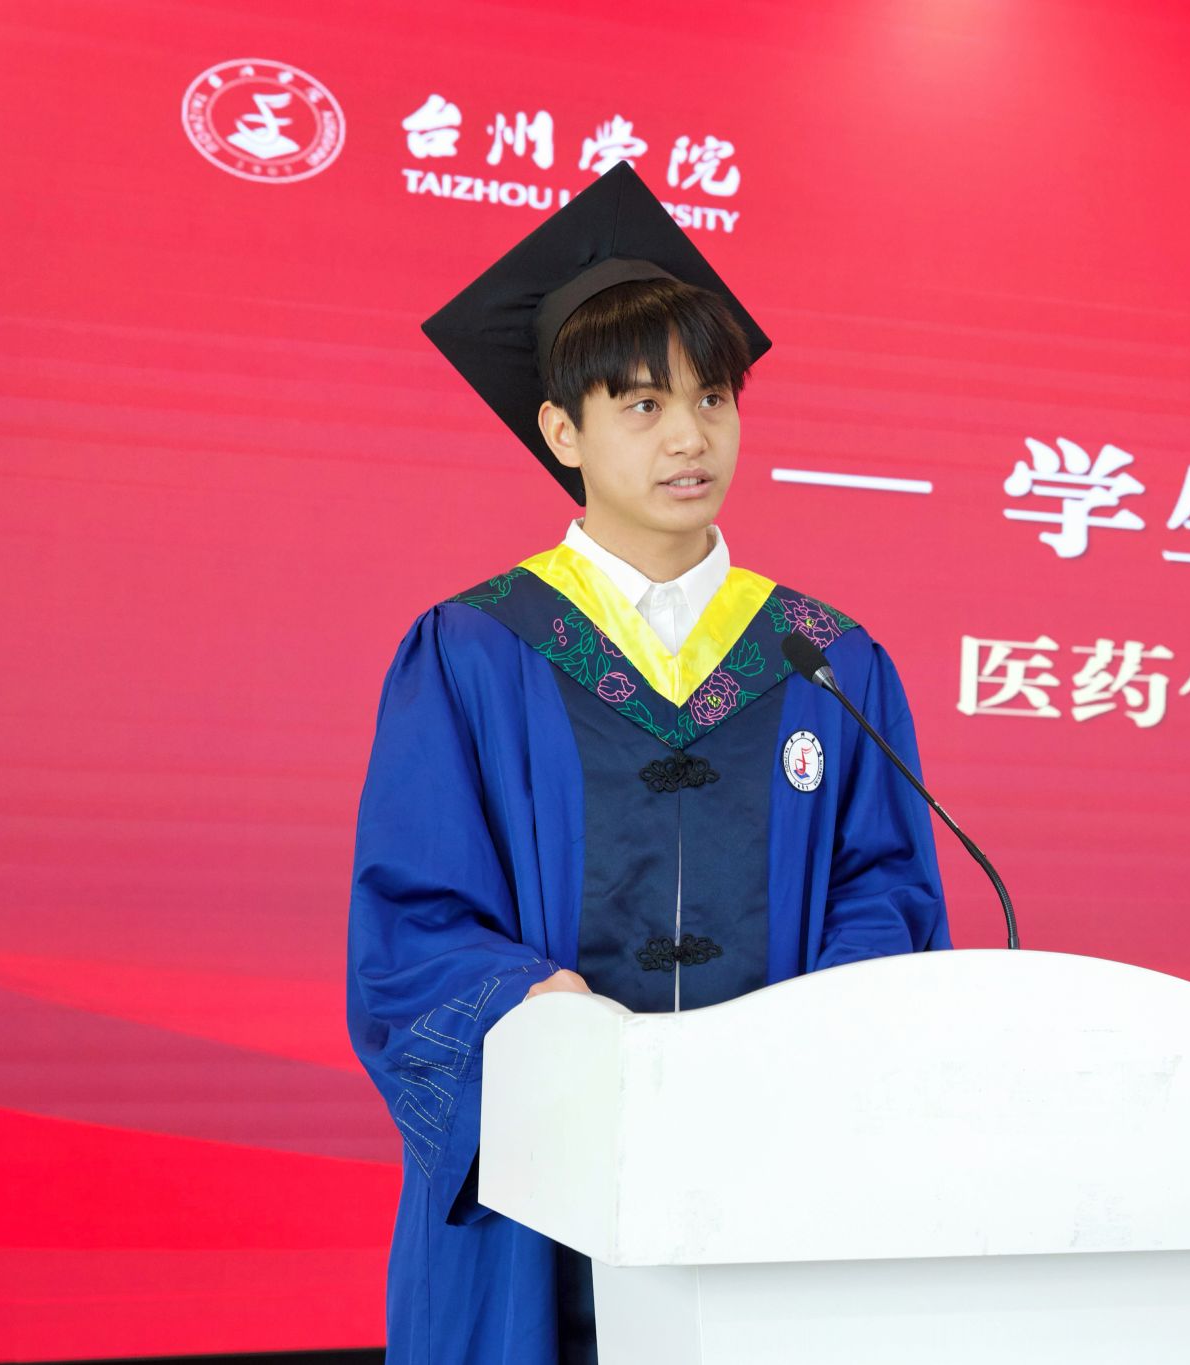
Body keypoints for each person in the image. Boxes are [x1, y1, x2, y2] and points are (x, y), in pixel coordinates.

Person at [345, 162, 952, 1364]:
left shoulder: (822, 656)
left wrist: (819, 1033)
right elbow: (414, 918)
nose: (690, 436)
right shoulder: (476, 651)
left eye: (712, 398)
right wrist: (534, 1011)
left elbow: (885, 886)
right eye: (641, 404)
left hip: (777, 1161)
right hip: (546, 1174)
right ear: (560, 432)